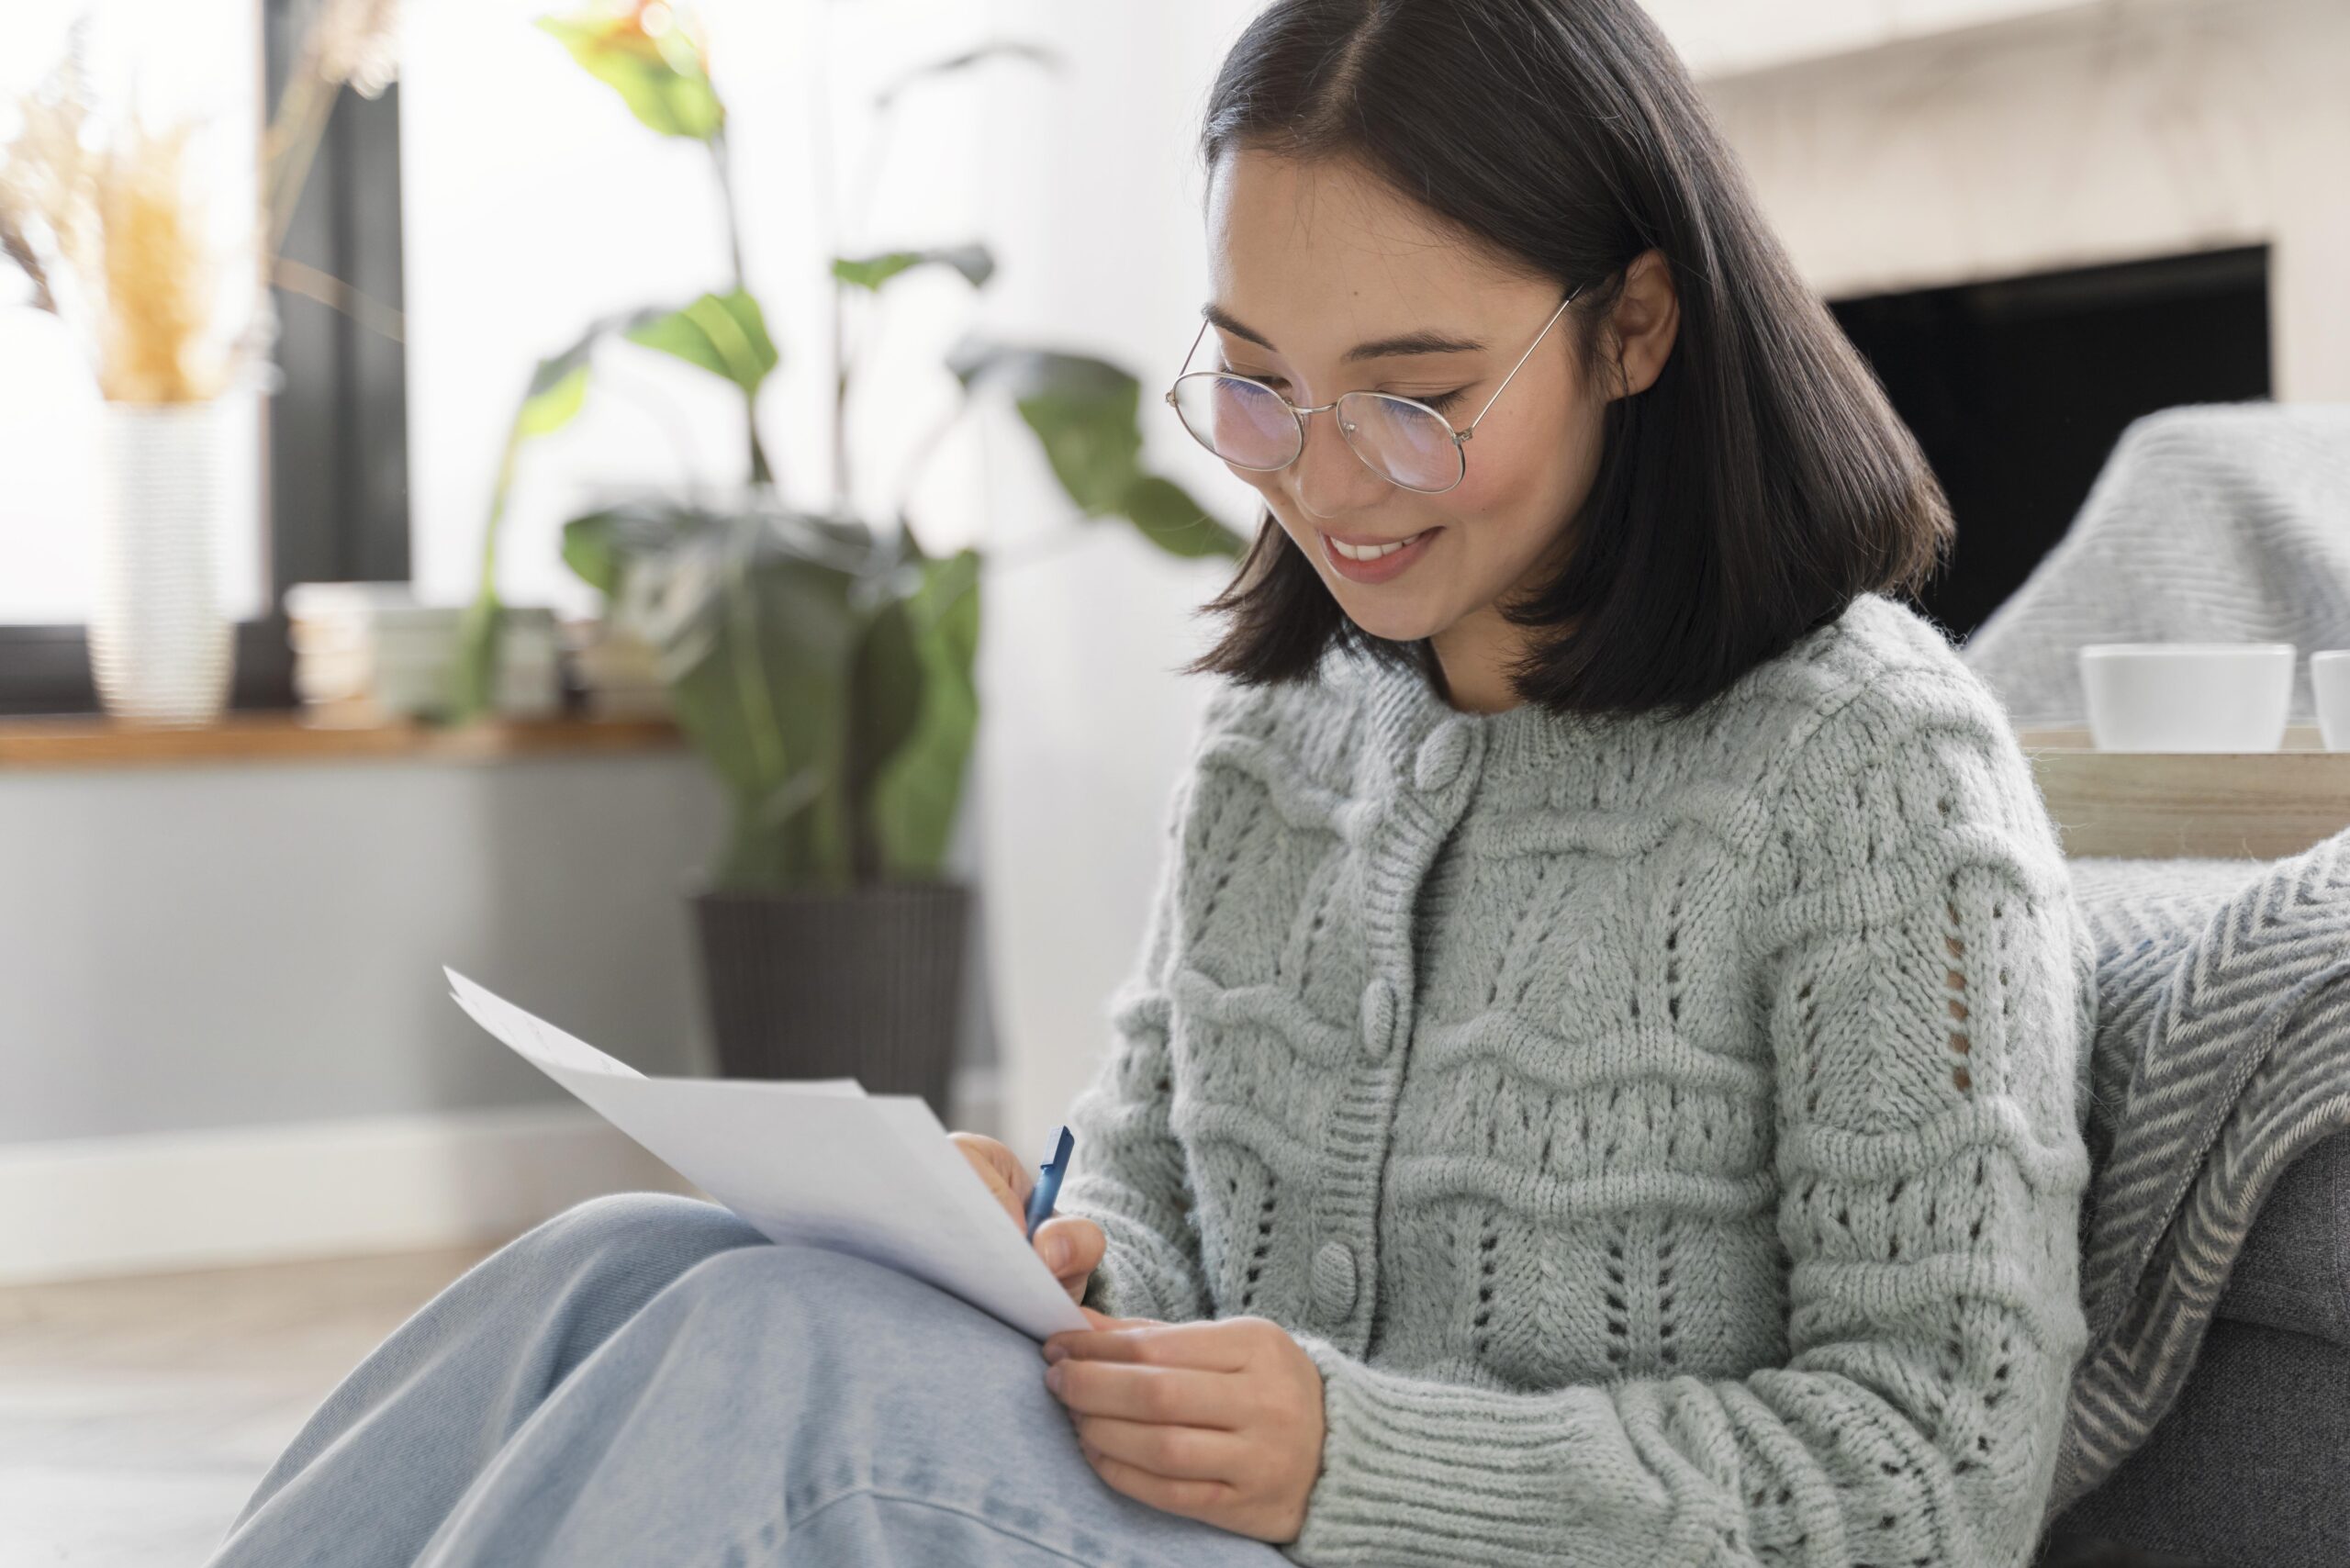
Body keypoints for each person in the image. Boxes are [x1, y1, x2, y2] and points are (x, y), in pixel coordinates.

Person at [206, 1, 2098, 1564]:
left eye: (1413, 393)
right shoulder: (1287, 741)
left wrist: (1361, 1455)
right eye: (1257, 382)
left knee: (771, 1367)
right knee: (627, 1255)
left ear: (1634, 326)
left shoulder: (1866, 774)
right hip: (1207, 1527)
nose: (1323, 477)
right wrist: (1042, 1251)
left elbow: (1937, 1469)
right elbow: (1159, 1205)